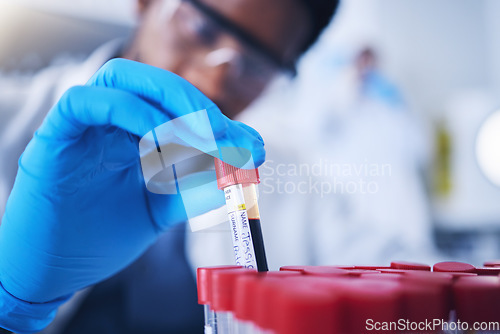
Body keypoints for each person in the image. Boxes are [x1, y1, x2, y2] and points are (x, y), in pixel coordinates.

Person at [0, 0, 340, 333]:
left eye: (257, 66)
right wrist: (11, 306)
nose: (215, 81)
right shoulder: (8, 117)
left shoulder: (293, 182)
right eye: (201, 28)